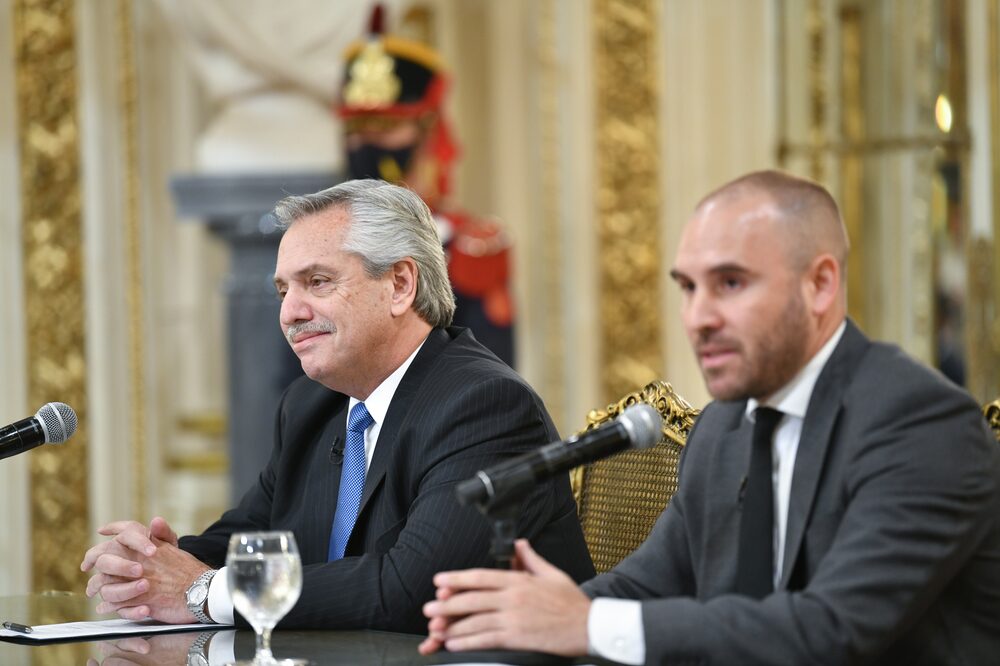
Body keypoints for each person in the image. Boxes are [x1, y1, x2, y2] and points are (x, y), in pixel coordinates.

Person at [420, 170, 1000, 664]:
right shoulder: (725, 425)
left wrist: (585, 625)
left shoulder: (920, 423)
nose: (698, 317)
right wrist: (523, 621)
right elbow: (647, 584)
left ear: (820, 284)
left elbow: (833, 630)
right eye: (688, 288)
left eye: (730, 284)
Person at [80, 179, 593, 635]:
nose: (290, 312)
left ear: (399, 285)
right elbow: (254, 533)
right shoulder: (313, 404)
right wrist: (157, 563)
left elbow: (410, 588)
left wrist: (203, 591)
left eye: (317, 282)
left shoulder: (484, 405)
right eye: (283, 289)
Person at [337, 7, 515, 365]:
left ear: (426, 128)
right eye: (357, 130)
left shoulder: (469, 247)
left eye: (385, 128)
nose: (367, 143)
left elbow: (491, 374)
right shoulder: (326, 241)